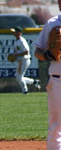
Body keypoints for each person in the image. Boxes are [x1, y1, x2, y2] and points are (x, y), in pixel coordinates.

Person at [34, 0, 61, 149]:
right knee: (56, 126)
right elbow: (37, 51)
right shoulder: (52, 23)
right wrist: (46, 55)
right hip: (58, 81)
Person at [10, 26, 41, 95]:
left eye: (15, 31)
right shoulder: (16, 41)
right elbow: (17, 51)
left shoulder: (22, 41)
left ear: (19, 33)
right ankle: (34, 82)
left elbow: (26, 52)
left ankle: (25, 91)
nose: (13, 33)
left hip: (25, 60)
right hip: (21, 60)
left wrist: (16, 55)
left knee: (19, 77)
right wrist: (13, 55)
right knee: (19, 77)